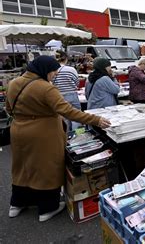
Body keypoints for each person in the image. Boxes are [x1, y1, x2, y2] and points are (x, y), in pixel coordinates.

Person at [6, 56, 110, 222]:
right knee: (47, 168)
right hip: (43, 133)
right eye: (53, 72)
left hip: (18, 130)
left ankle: (17, 204)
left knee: (22, 167)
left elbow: (8, 108)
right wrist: (95, 120)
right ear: (45, 70)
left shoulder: (14, 83)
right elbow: (68, 111)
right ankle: (47, 208)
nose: (54, 75)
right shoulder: (46, 88)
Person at [52, 51, 81, 131]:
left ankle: (67, 136)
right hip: (71, 94)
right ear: (66, 59)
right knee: (76, 116)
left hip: (58, 96)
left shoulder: (52, 70)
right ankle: (77, 135)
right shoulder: (71, 69)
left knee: (64, 118)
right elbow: (77, 82)